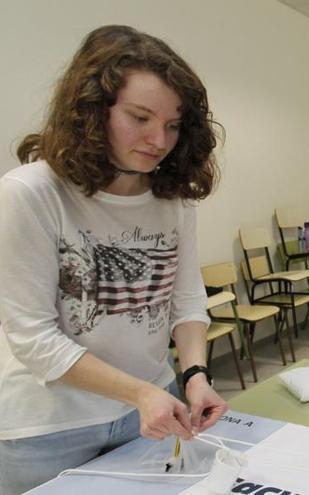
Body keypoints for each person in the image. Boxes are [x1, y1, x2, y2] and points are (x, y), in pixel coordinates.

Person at [0, 25, 227, 493]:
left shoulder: (174, 198)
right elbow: (33, 336)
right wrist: (140, 392)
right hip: (46, 430)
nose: (158, 140)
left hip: (149, 411)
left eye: (171, 124)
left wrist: (195, 374)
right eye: (140, 118)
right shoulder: (31, 193)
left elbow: (185, 301)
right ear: (91, 112)